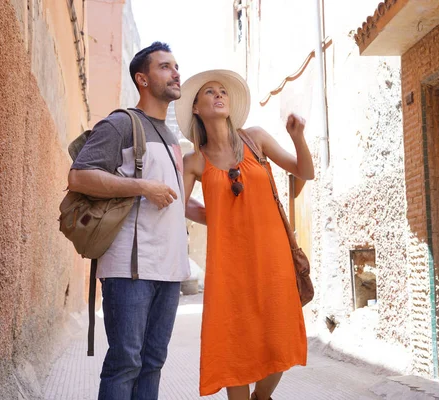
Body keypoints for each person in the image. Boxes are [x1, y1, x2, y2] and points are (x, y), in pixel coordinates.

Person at [176, 70, 314, 400]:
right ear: (196, 108)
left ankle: (261, 397)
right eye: (209, 92)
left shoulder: (256, 139)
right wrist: (219, 218)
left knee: (279, 340)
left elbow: (305, 172)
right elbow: (180, 205)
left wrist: (298, 137)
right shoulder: (194, 161)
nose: (218, 95)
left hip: (273, 259)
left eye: (222, 90)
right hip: (229, 268)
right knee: (233, 347)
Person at [68, 42, 194, 399]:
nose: (176, 73)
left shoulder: (171, 138)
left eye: (176, 66)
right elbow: (79, 177)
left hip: (169, 271)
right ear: (142, 78)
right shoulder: (122, 123)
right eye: (165, 67)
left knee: (153, 361)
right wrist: (141, 187)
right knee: (126, 362)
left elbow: (174, 201)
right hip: (130, 270)